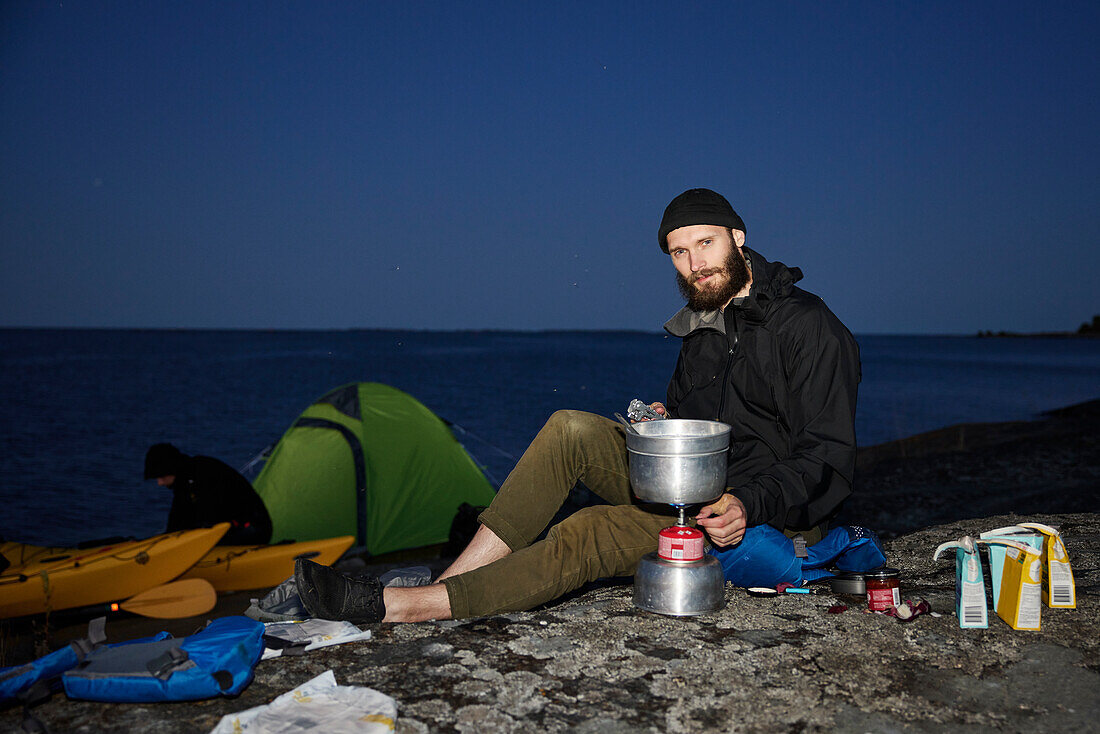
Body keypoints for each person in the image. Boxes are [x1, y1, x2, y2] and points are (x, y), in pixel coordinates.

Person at [295, 187, 861, 623]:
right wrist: (661, 427)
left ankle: (408, 607)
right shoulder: (701, 331)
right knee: (569, 428)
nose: (695, 265)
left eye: (706, 244)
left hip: (762, 519)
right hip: (697, 485)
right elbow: (698, 420)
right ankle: (457, 574)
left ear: (738, 237)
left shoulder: (808, 327)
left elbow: (827, 458)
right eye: (679, 253)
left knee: (588, 531)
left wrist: (750, 500)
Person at [144, 442, 273, 545]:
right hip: (232, 530)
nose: (159, 483)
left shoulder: (202, 472)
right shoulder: (184, 482)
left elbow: (211, 514)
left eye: (160, 477)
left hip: (253, 529)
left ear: (170, 469)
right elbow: (178, 520)